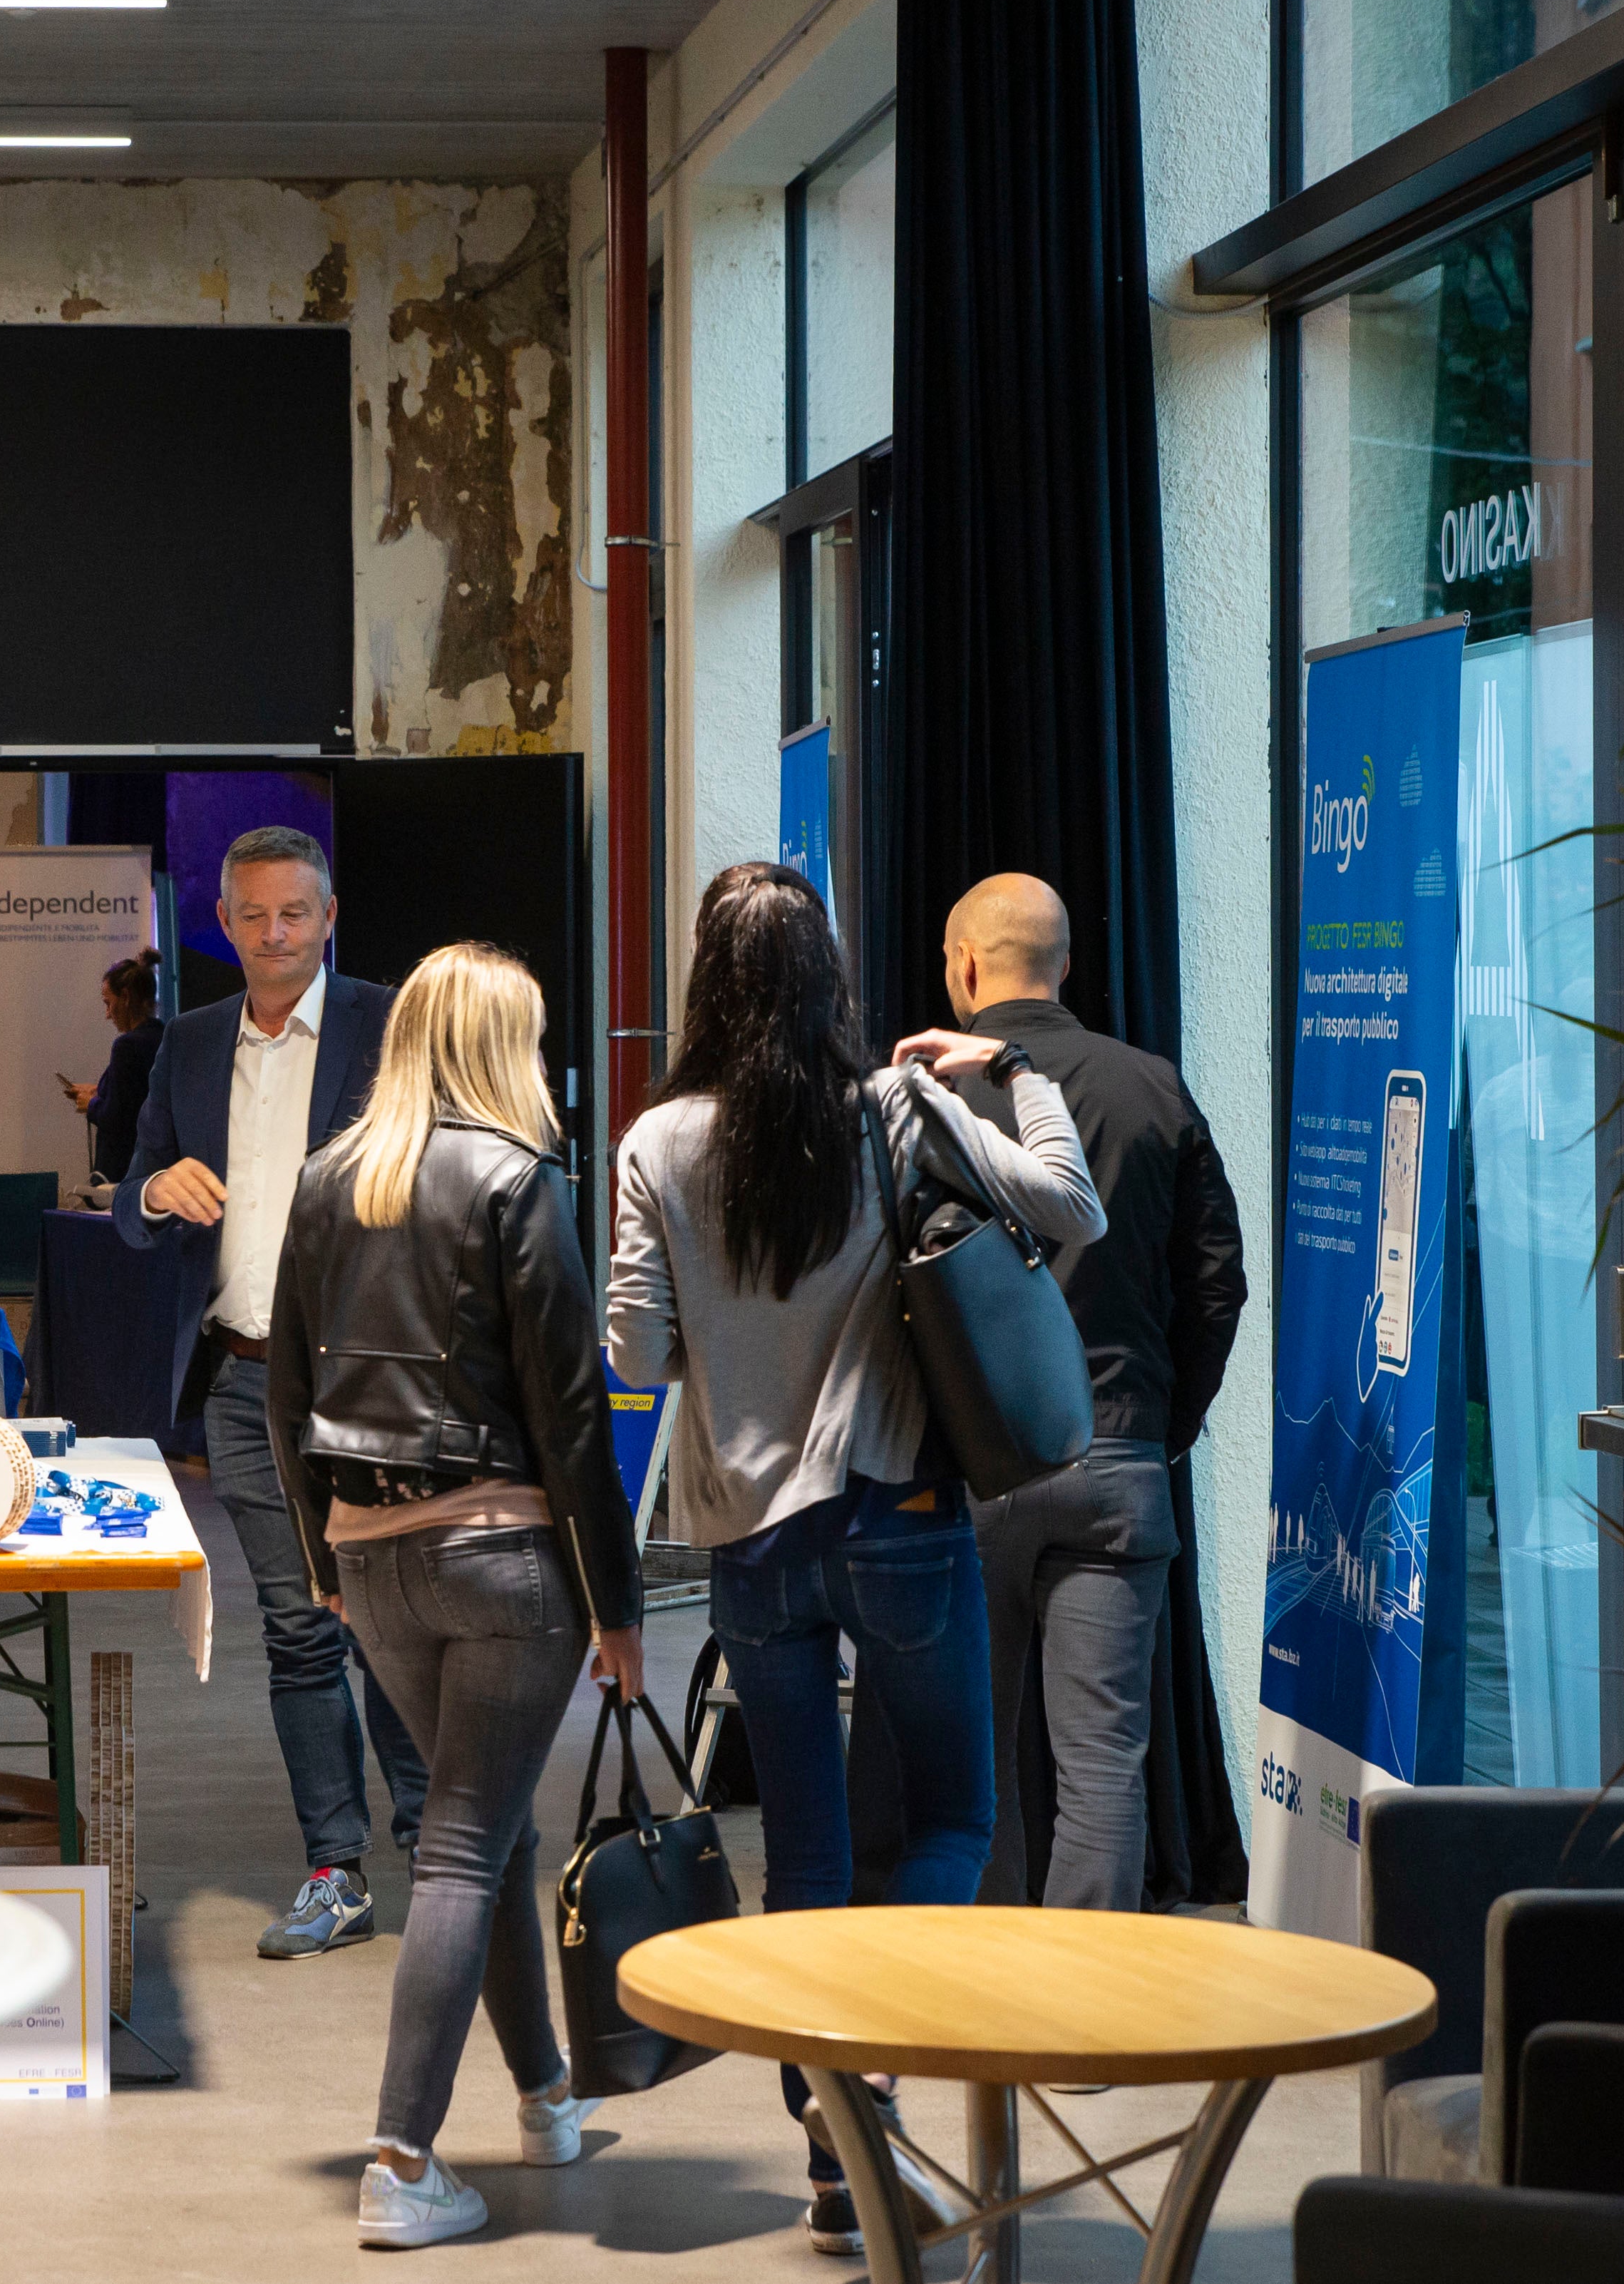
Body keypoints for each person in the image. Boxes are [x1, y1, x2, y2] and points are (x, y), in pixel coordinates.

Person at [605, 862, 1104, 2257]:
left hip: (750, 1548)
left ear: (706, 980)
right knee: (948, 1817)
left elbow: (631, 1353)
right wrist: (1003, 1064)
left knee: (804, 1855)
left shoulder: (656, 1145)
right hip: (897, 1519)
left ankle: (832, 2143)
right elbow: (1069, 1209)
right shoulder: (890, 1110)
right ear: (825, 978)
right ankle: (872, 2073)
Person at [265, 943, 646, 2250]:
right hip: (502, 1564)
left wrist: (324, 1560)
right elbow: (571, 1412)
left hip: (372, 1562)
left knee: (486, 1831)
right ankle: (400, 2155)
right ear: (504, 1044)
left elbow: (283, 1385)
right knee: (464, 1840)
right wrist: (619, 1603)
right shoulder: (520, 1180)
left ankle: (542, 2092)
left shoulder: (327, 1179)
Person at [113, 825, 431, 1957]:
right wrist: (153, 1189)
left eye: (292, 913)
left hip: (373, 1379)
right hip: (242, 1382)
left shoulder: (390, 1026)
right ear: (223, 924)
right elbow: (129, 1195)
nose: (272, 934)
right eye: (250, 915)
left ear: (328, 915)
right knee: (300, 1630)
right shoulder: (191, 1043)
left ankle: (434, 1844)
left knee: (389, 1618)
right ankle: (335, 1866)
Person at [935, 874, 1248, 1917]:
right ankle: (1088, 2004)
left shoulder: (926, 1099)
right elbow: (1217, 1280)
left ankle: (978, 1992)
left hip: (963, 1477)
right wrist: (1165, 1429)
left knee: (968, 1752)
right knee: (1102, 1758)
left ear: (964, 967)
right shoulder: (1151, 1087)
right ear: (1063, 964)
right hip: (1116, 1463)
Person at [63, 946, 167, 1184]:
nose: (108, 1014)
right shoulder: (164, 1036)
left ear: (126, 998)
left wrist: (91, 1104)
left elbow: (118, 1118)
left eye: (108, 1003)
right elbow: (139, 1098)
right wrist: (101, 1092)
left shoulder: (126, 1046)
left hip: (122, 1174)